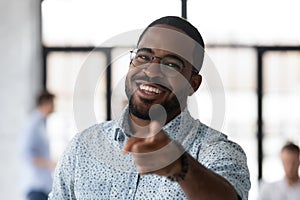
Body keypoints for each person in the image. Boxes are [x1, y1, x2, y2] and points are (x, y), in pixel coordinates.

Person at [49, 16, 250, 200]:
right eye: (144, 57)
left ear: (193, 84)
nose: (152, 71)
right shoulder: (83, 147)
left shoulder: (216, 150)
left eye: (172, 65)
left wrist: (182, 167)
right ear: (131, 64)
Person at [19, 90, 56, 200]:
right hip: (36, 185)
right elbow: (26, 153)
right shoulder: (32, 124)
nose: (54, 106)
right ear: (46, 103)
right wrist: (49, 164)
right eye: (53, 103)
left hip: (43, 186)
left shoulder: (41, 123)